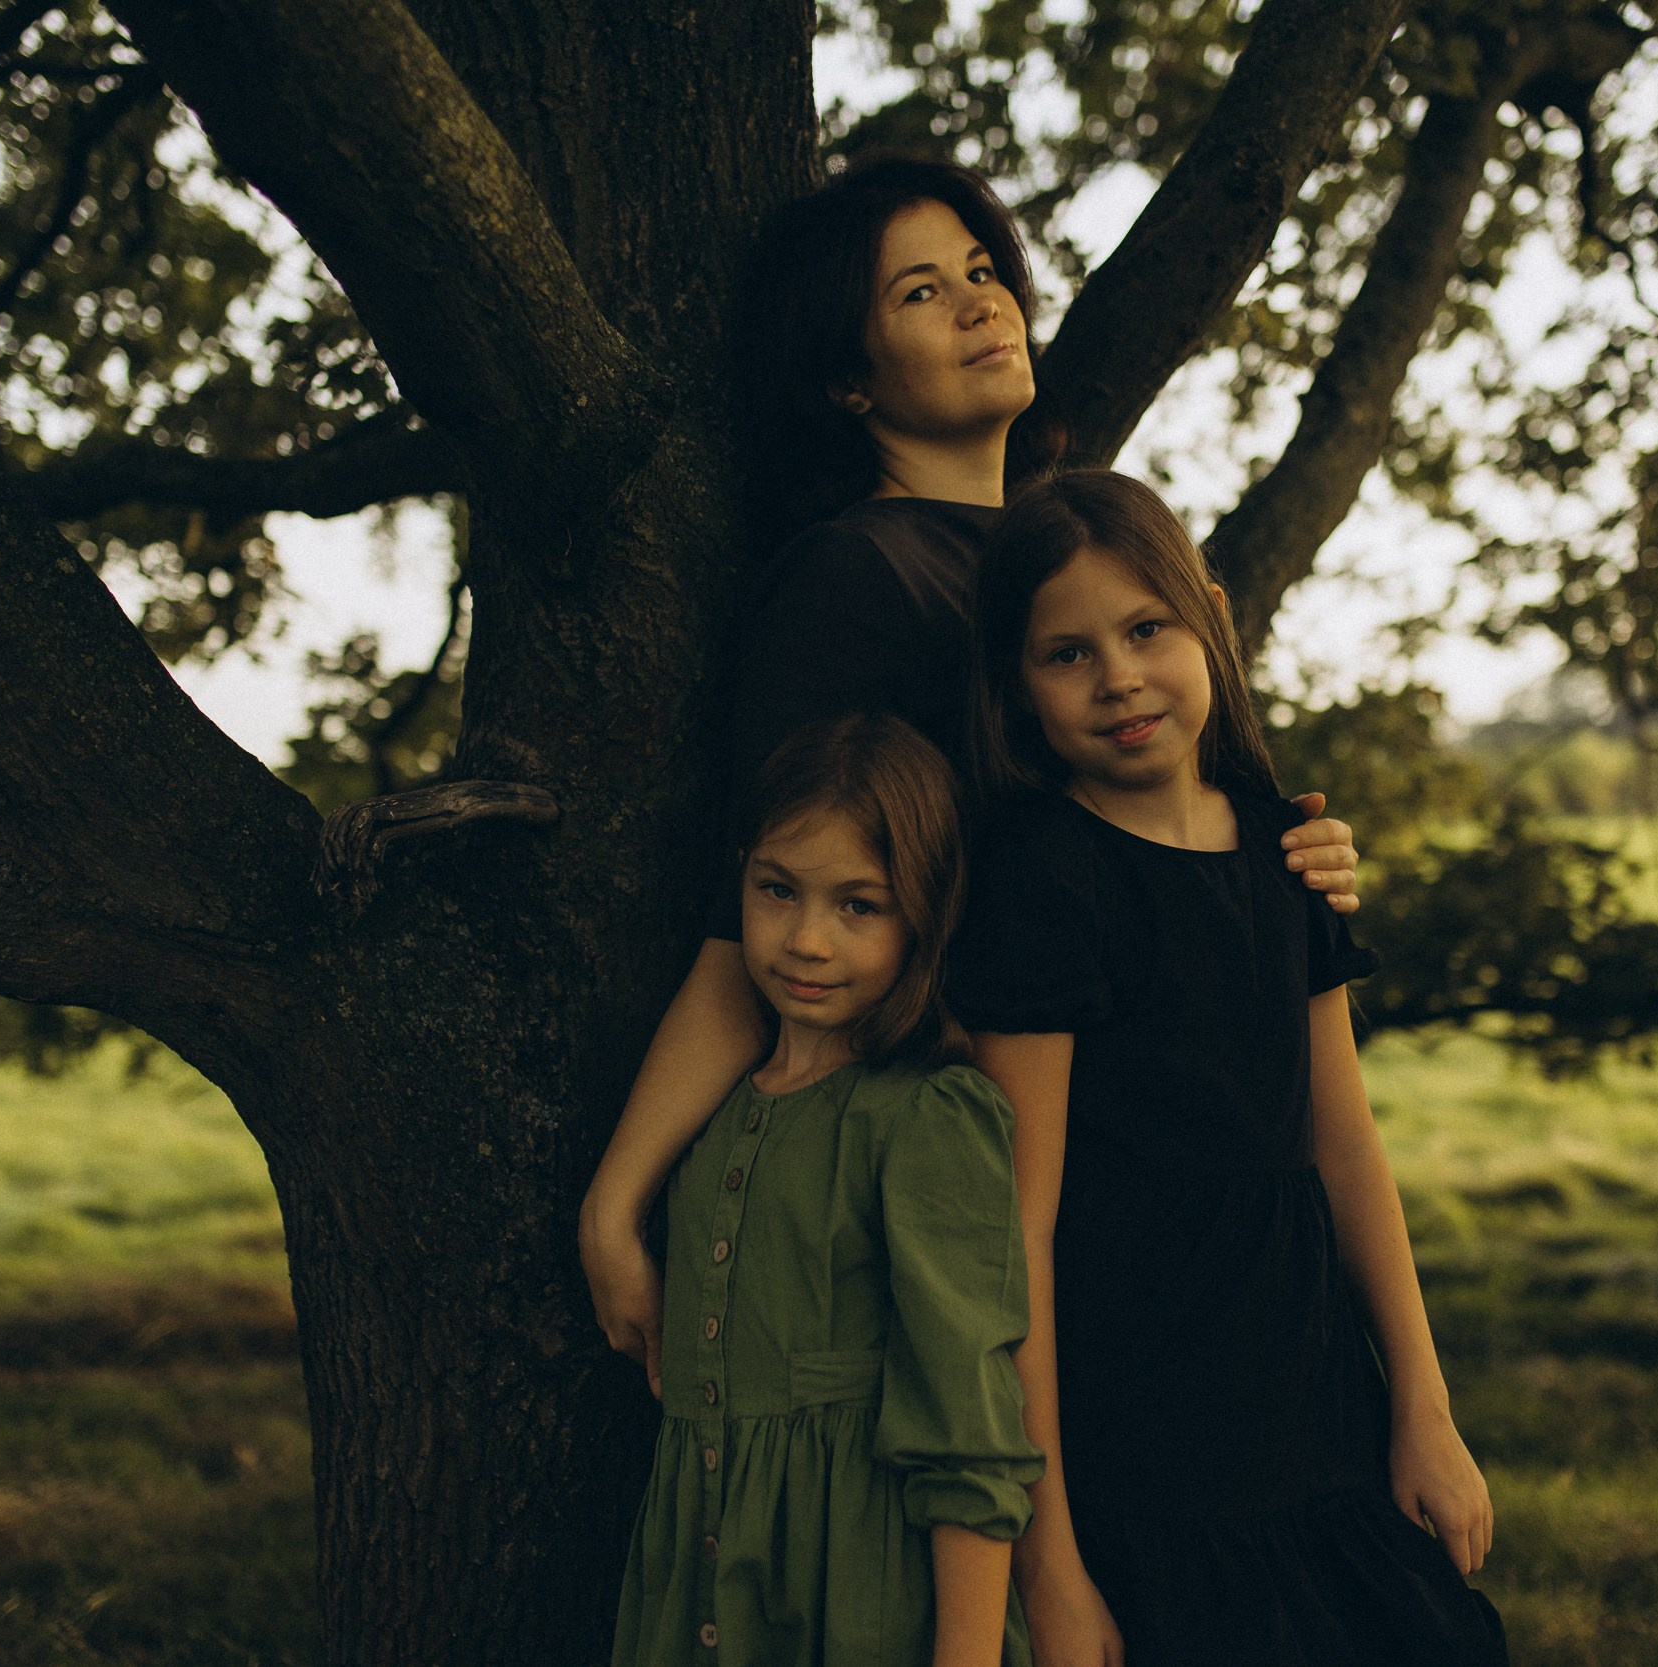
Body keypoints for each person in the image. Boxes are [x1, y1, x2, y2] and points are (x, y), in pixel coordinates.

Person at [579, 156, 1366, 1392]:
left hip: (1196, 1163)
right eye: (919, 292)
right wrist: (616, 1201)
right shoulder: (853, 577)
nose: (979, 301)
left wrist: (1285, 856)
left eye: (985, 270)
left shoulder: (1064, 561)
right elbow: (764, 914)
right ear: (847, 380)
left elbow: (1164, 825)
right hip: (1005, 1171)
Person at [951, 471, 1508, 1667]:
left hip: (1316, 1396)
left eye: (1146, 628)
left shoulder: (1284, 848)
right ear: (1016, 683)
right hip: (1145, 1435)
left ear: (1209, 619)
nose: (1118, 677)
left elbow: (1344, 1143)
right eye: (1067, 653)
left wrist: (1423, 1406)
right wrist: (1051, 1566)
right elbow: (1016, 1234)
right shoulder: (1042, 878)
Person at [610, 712, 1045, 1667]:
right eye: (778, 890)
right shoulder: (712, 1110)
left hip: (860, 1604)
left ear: (924, 914)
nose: (806, 939)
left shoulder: (927, 1114)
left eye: (859, 906)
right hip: (701, 1596)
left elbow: (970, 1427)